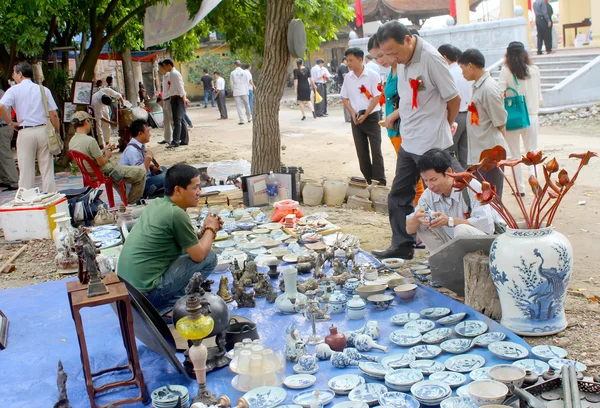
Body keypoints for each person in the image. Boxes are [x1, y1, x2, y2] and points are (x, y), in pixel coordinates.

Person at [372, 21, 462, 260]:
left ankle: (455, 248)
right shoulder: (401, 61)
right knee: (399, 195)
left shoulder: (431, 59)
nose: (391, 58)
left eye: (393, 52)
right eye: (385, 54)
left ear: (409, 40)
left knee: (444, 192)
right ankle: (402, 245)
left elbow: (453, 99)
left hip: (432, 144)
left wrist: (444, 125)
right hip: (409, 140)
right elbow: (408, 98)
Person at [117, 164, 222, 314]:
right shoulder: (175, 214)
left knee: (194, 253)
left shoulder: (158, 204)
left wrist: (206, 231)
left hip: (129, 290)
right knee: (210, 257)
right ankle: (169, 306)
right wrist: (211, 229)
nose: (199, 192)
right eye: (195, 188)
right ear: (178, 190)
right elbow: (199, 255)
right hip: (145, 296)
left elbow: (188, 244)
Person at [367, 35, 424, 205]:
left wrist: (394, 115)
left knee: (414, 178)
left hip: (405, 129)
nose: (380, 61)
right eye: (375, 57)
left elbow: (416, 98)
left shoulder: (403, 69)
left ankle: (419, 214)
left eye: (382, 55)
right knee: (409, 176)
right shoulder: (392, 71)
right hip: (394, 129)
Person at [406, 148, 496, 253]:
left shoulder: (471, 186)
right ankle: (445, 261)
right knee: (421, 223)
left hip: (482, 244)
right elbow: (409, 229)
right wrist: (416, 218)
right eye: (426, 180)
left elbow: (487, 226)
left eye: (433, 179)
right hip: (453, 242)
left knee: (461, 229)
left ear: (448, 172)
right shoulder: (428, 195)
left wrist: (449, 221)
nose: (430, 186)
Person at [0, 62, 59, 193]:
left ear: (20, 74)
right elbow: (53, 114)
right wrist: (57, 131)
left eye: (14, 73)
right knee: (47, 169)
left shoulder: (14, 90)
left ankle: (27, 199)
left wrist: (10, 122)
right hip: (43, 130)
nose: (13, 76)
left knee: (26, 169)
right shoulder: (43, 89)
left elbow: (1, 107)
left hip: (25, 131)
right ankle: (51, 196)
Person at [458, 49, 508, 198]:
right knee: (483, 195)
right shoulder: (479, 86)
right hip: (482, 153)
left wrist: (499, 153)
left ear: (471, 66)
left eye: (462, 68)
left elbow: (500, 121)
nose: (462, 73)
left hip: (490, 152)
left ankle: (495, 221)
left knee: (491, 195)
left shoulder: (489, 88)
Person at [68, 111, 146, 204]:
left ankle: (126, 198)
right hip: (104, 172)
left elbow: (89, 157)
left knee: (121, 171)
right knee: (141, 172)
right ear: (86, 122)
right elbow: (101, 162)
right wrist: (107, 155)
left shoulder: (72, 141)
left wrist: (104, 150)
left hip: (90, 173)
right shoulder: (90, 140)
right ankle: (133, 201)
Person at [498, 41, 542, 196]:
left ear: (507, 54)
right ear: (524, 54)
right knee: (533, 151)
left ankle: (520, 189)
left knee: (515, 155)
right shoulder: (534, 70)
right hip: (532, 116)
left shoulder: (506, 71)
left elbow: (499, 92)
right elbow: (539, 97)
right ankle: (534, 180)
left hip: (513, 117)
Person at [340, 47, 386, 186]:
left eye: (351, 60)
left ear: (360, 60)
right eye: (347, 60)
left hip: (371, 116)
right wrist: (352, 112)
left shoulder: (372, 75)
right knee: (361, 151)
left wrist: (366, 114)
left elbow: (377, 97)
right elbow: (344, 97)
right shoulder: (348, 78)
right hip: (356, 118)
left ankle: (380, 181)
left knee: (376, 150)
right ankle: (367, 179)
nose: (348, 63)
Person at [438, 44, 472, 169]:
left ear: (445, 57)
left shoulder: (448, 74)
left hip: (454, 116)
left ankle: (459, 181)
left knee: (449, 152)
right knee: (465, 154)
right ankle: (469, 182)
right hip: (468, 115)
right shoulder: (463, 71)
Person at [120, 119, 166, 198]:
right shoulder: (132, 150)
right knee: (168, 176)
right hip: (138, 187)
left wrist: (152, 167)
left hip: (145, 179)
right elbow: (139, 173)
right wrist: (148, 157)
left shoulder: (139, 145)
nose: (150, 134)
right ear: (140, 133)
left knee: (165, 170)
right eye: (148, 132)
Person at [161, 58, 189, 148]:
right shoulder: (172, 74)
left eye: (164, 66)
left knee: (177, 120)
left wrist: (184, 98)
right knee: (181, 119)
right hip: (175, 97)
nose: (164, 68)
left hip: (177, 98)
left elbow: (180, 86)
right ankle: (184, 139)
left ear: (169, 65)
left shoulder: (174, 74)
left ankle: (176, 140)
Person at [0, 88, 19, 191]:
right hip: (4, 126)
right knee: (2, 155)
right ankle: (5, 179)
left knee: (5, 155)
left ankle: (13, 180)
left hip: (3, 126)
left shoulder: (1, 94)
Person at [230, 60, 252, 125]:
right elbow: (248, 81)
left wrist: (233, 89)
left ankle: (241, 119)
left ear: (235, 65)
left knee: (238, 105)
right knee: (247, 104)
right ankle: (249, 117)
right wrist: (246, 88)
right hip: (244, 90)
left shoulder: (232, 73)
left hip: (236, 91)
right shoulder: (245, 72)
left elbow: (231, 83)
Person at [157, 61, 172, 145]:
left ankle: (175, 138)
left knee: (172, 119)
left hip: (169, 99)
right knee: (166, 120)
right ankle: (167, 138)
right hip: (165, 99)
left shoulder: (169, 75)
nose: (159, 70)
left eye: (160, 68)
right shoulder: (164, 77)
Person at [337, 57, 352, 123]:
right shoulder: (343, 67)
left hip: (344, 85)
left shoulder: (343, 67)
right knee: (347, 101)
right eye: (348, 61)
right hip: (344, 86)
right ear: (344, 60)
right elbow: (345, 77)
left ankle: (348, 117)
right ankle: (348, 117)